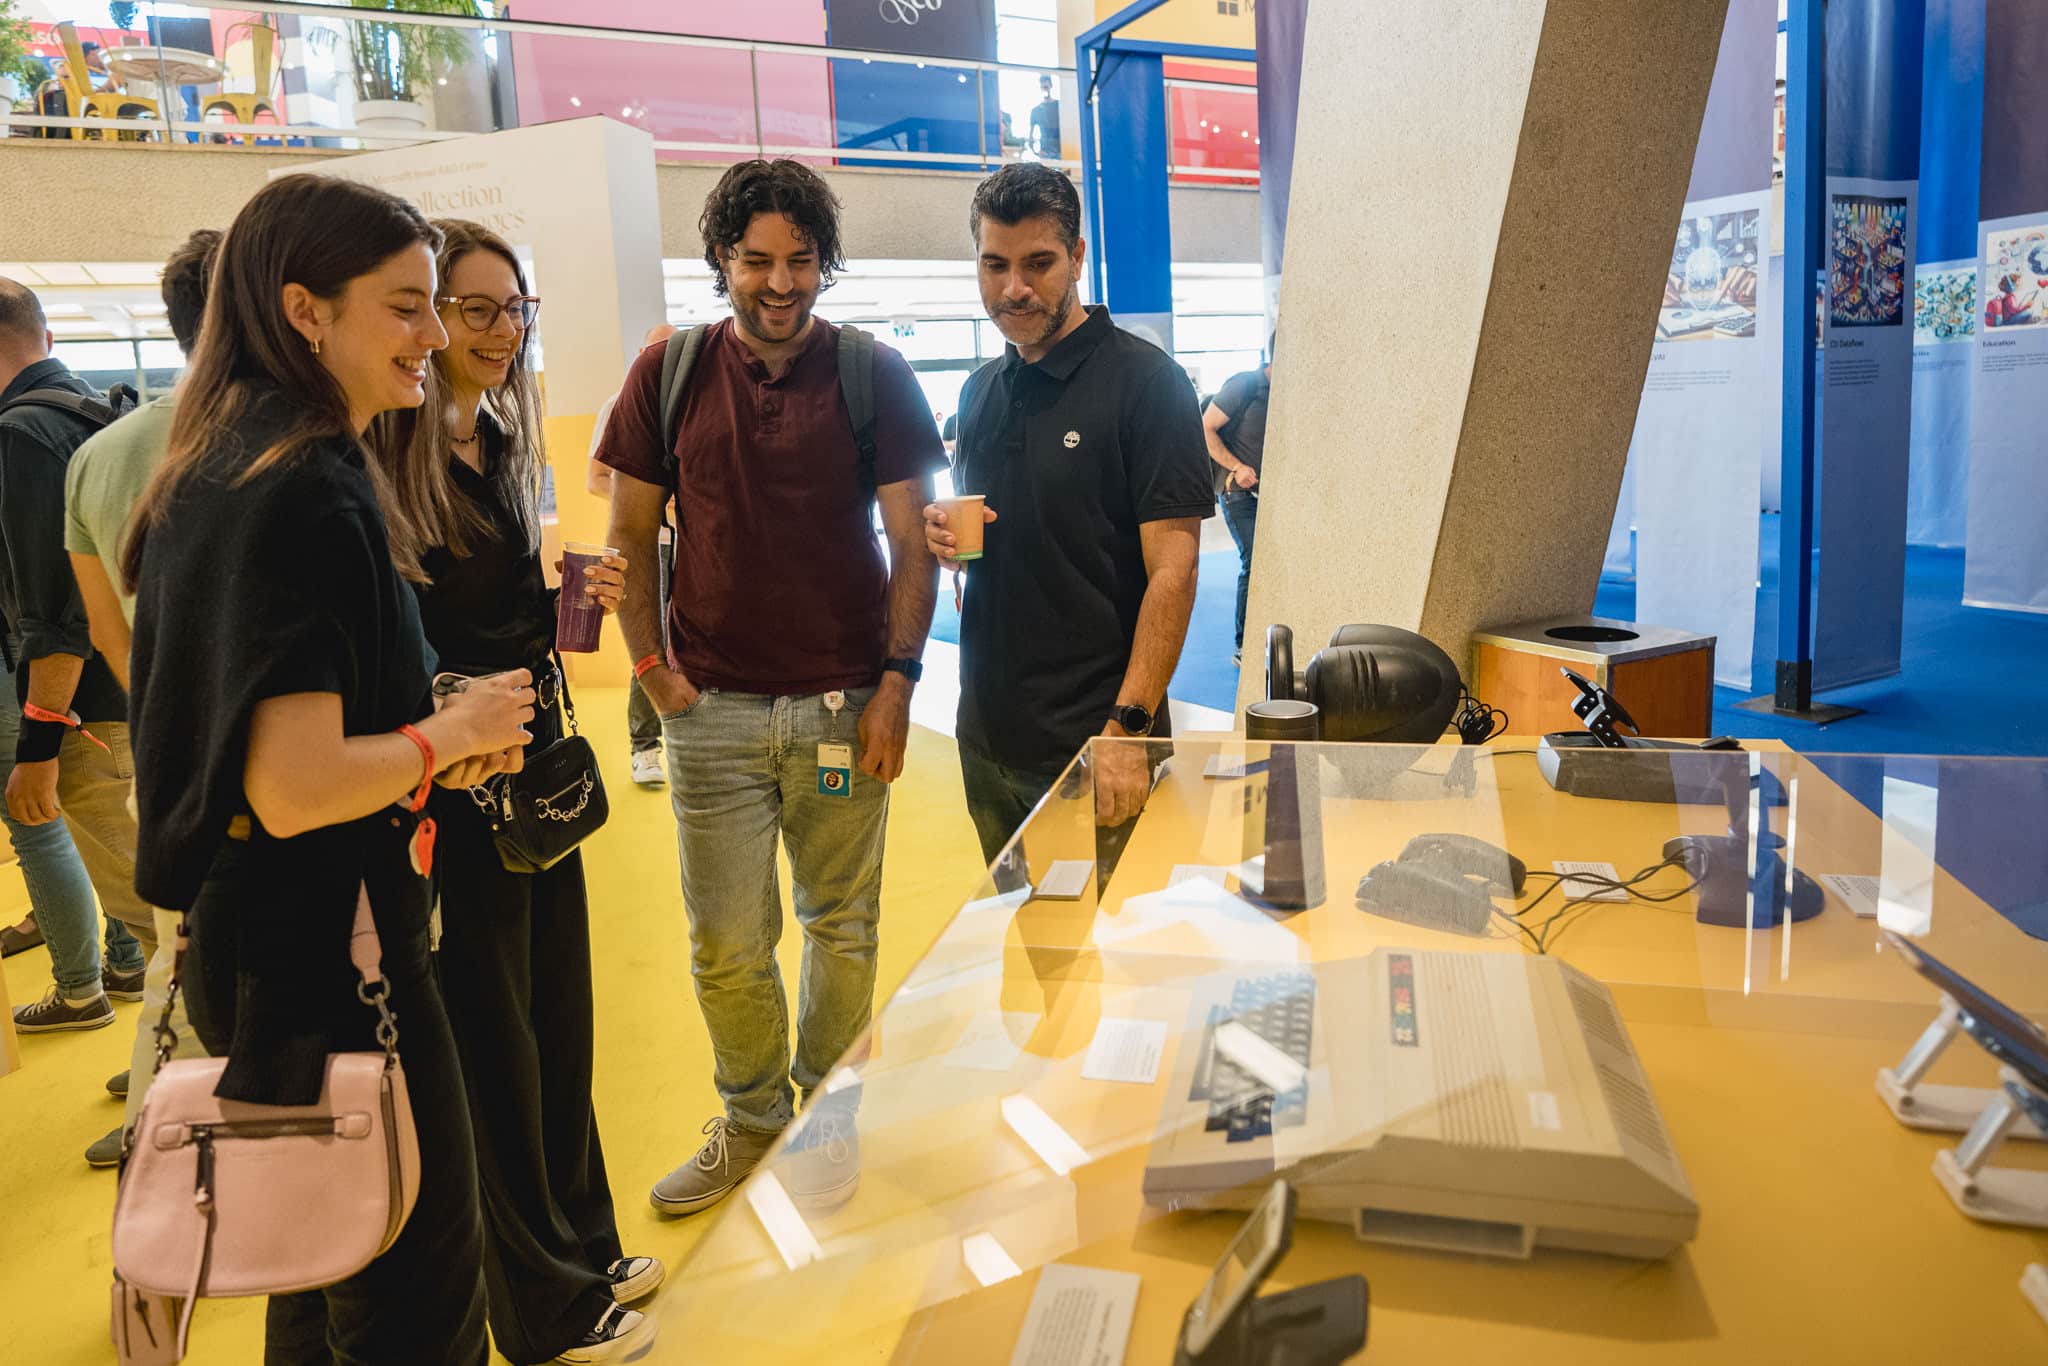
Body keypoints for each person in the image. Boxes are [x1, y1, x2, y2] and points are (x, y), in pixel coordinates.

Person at [124, 172, 532, 1364]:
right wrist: (445, 736)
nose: (434, 335)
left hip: (257, 938)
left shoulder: (223, 460)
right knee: (411, 1290)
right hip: (330, 948)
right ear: (305, 310)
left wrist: (421, 737)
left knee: (311, 1254)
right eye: (405, 306)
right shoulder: (304, 484)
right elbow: (294, 788)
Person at [598, 159, 944, 1217]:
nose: (779, 283)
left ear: (824, 263)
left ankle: (826, 1117)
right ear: (722, 260)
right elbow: (628, 535)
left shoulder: (873, 373)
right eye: (757, 260)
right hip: (712, 712)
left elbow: (912, 544)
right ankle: (752, 1121)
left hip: (844, 706)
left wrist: (897, 684)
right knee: (726, 943)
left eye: (800, 261)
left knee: (841, 924)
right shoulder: (668, 371)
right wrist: (653, 676)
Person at [368, 218, 660, 1365]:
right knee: (494, 1047)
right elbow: (396, 653)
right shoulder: (384, 457)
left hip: (532, 777)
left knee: (556, 1023)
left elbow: (500, 624)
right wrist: (457, 712)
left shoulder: (491, 439)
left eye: (513, 308)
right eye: (471, 308)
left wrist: (569, 603)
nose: (498, 330)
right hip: (451, 796)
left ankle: (583, 1248)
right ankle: (543, 1310)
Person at [922, 162, 1210, 866]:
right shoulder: (979, 391)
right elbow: (1008, 538)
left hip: (1096, 743)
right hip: (986, 738)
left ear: (1077, 257)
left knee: (1112, 936)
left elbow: (1174, 573)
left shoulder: (1148, 384)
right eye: (995, 264)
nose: (1014, 288)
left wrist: (1128, 730)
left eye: (1038, 263)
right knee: (1025, 931)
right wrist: (947, 541)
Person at [63, 227, 220, 1169]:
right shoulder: (279, 440)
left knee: (177, 952)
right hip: (283, 770)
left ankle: (157, 1137)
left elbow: (103, 626)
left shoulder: (97, 455)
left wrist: (165, 711)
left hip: (162, 746)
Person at [0, 278, 152, 1038]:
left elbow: (56, 614)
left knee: (164, 925)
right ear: (48, 337)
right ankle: (161, 1060)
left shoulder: (21, 435)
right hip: (135, 696)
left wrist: (38, 747)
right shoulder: (101, 412)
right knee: (159, 922)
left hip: (88, 718)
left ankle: (191, 1088)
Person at [588, 321, 676, 789]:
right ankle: (645, 747)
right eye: (656, 352)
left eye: (673, 351)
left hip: (694, 545)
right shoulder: (619, 405)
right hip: (647, 548)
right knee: (651, 644)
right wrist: (649, 506)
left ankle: (687, 739)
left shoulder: (692, 402)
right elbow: (596, 479)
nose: (664, 362)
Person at [1202, 336, 1271, 663]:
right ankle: (1244, 644)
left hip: (1272, 496)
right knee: (1254, 561)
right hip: (1238, 493)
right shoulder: (1245, 385)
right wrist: (1237, 466)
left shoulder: (1284, 396)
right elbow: (1205, 428)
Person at [1028, 75, 1061, 161]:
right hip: (1045, 153)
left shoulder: (1059, 106)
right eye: (1043, 87)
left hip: (1062, 151)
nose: (1045, 89)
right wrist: (1036, 152)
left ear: (1051, 86)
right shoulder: (1036, 110)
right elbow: (1030, 138)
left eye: (1046, 86)